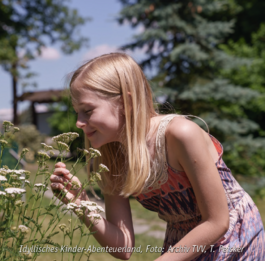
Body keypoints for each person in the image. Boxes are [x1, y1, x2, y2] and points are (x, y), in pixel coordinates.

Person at [49, 53, 265, 260]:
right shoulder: (109, 157)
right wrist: (81, 205)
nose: (78, 122)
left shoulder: (179, 135)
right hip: (183, 244)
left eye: (87, 110)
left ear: (126, 103)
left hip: (236, 242)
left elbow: (217, 222)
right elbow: (123, 247)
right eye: (77, 111)